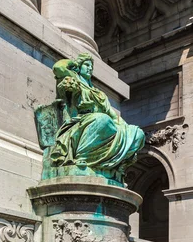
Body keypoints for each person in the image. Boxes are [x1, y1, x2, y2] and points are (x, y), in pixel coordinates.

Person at [49, 53, 145, 184]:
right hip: (81, 122)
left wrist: (124, 126)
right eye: (86, 65)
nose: (90, 68)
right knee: (102, 120)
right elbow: (58, 67)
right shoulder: (73, 82)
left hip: (103, 124)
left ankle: (117, 164)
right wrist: (73, 66)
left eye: (91, 66)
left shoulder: (99, 94)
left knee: (137, 133)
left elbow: (111, 114)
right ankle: (81, 157)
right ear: (79, 67)